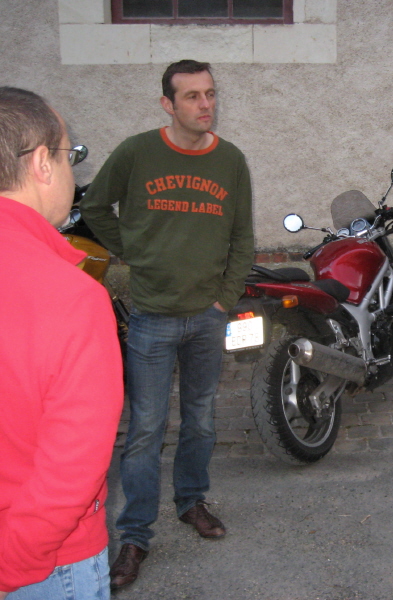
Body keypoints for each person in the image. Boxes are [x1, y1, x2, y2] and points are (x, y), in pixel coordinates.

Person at [81, 59, 255, 590]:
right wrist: (134, 250)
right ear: (168, 104)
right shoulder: (137, 152)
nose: (206, 105)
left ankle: (191, 501)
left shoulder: (230, 160)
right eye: (193, 96)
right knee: (145, 430)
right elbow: (95, 206)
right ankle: (134, 536)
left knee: (200, 420)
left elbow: (242, 237)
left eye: (210, 94)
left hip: (207, 316)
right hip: (152, 317)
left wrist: (225, 299)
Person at [0, 87, 124, 600]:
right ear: (41, 164)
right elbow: (72, 467)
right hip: (40, 565)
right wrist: (12, 564)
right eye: (70, 155)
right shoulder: (70, 295)